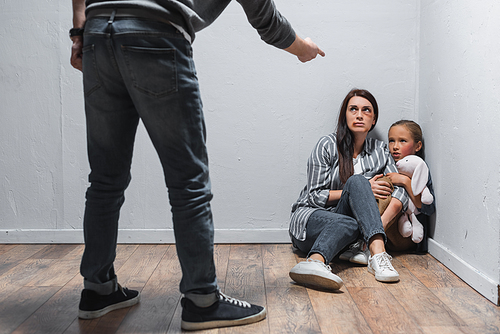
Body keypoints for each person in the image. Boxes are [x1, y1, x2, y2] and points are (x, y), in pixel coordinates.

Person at [70, 0, 324, 330]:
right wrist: (301, 47)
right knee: (188, 181)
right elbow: (264, 16)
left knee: (105, 178)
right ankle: (203, 300)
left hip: (99, 32)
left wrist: (80, 31)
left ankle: (98, 289)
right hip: (155, 35)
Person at [288, 88, 409, 291]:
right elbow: (315, 196)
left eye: (366, 110)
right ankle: (377, 254)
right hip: (312, 220)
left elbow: (400, 191)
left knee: (353, 222)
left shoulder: (380, 150)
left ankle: (316, 262)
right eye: (353, 109)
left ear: (374, 119)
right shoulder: (326, 145)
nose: (359, 115)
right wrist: (364, 188)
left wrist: (379, 224)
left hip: (353, 226)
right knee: (359, 182)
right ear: (345, 115)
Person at [386, 120, 436, 253]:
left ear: (417, 146)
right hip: (390, 230)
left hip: (410, 235)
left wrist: (405, 181)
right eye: (391, 141)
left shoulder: (419, 169)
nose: (395, 146)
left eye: (402, 141)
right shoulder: (387, 164)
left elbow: (427, 208)